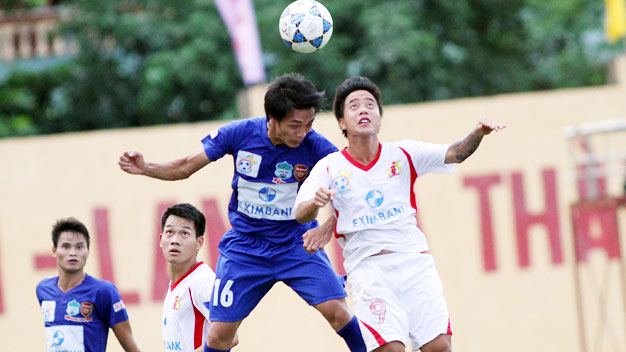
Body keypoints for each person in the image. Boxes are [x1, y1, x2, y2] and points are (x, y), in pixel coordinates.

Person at [118, 73, 366, 352]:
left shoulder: (316, 147)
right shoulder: (241, 134)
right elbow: (185, 166)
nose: (303, 132)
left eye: (309, 124)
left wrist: (327, 224)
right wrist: (145, 167)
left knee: (339, 313)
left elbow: (349, 187)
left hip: (296, 245)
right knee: (219, 337)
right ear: (272, 119)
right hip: (246, 250)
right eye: (295, 125)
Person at [294, 76, 505, 352]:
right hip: (368, 271)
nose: (364, 110)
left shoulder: (403, 154)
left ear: (380, 118)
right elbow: (300, 212)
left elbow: (457, 152)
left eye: (370, 105)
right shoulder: (329, 166)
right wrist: (316, 203)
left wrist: (478, 133)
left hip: (414, 264)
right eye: (354, 106)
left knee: (439, 346)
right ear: (342, 123)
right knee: (390, 349)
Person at [36, 217, 141, 352]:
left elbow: (129, 344)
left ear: (88, 251)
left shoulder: (104, 292)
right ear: (54, 251)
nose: (73, 253)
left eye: (79, 247)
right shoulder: (43, 289)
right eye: (66, 246)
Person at [160, 203, 238, 352]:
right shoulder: (176, 284)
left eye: (184, 234)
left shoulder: (203, 281)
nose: (175, 240)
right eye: (169, 232)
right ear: (161, 239)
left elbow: (230, 337)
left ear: (199, 243)